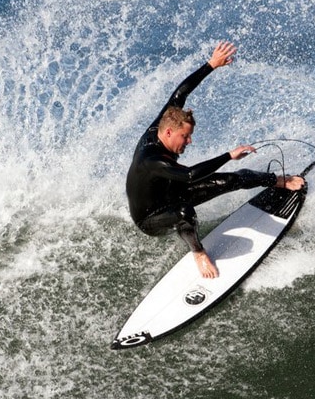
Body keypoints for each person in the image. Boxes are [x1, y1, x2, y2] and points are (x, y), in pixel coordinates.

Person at [125, 41, 305, 279]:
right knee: (184, 213)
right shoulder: (151, 159)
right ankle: (198, 252)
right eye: (185, 137)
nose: (189, 142)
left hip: (171, 189)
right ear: (168, 133)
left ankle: (276, 181)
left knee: (233, 179)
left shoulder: (166, 121)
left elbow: (180, 93)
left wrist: (211, 64)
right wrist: (229, 155)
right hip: (152, 216)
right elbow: (190, 175)